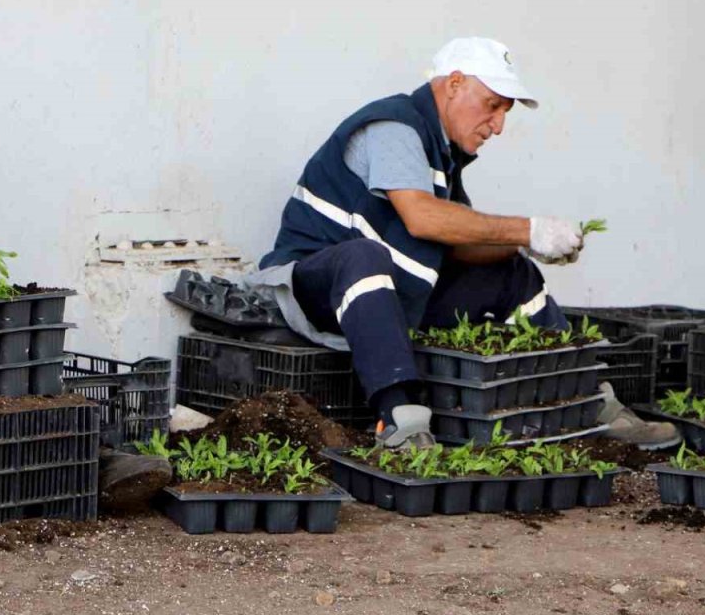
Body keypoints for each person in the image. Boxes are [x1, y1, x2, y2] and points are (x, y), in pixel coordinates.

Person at [246, 37, 679, 450]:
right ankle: (401, 422)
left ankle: (590, 401)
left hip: (385, 299)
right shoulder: (395, 127)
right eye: (492, 106)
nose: (498, 126)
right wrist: (526, 229)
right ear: (454, 84)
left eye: (505, 112)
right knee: (365, 257)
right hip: (312, 290)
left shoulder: (443, 155)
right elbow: (422, 217)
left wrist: (526, 248)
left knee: (512, 272)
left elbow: (455, 244)